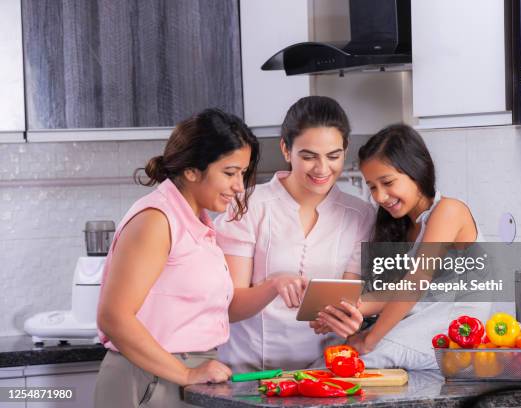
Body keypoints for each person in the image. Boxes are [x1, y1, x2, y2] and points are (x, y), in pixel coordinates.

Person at [94, 109, 260, 407]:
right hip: (150, 377)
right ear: (192, 170)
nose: (239, 186)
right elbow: (113, 317)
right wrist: (185, 373)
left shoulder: (197, 221)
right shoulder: (156, 220)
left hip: (183, 374)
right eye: (229, 172)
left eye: (242, 174)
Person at [214, 96, 376, 372]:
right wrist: (273, 284)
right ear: (286, 150)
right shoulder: (246, 205)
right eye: (309, 156)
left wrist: (350, 318)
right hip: (250, 372)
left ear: (345, 149)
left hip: (323, 372)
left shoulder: (361, 214)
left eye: (333, 156)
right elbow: (229, 308)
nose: (322, 169)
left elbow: (347, 300)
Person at [348, 123, 491, 369]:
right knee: (337, 352)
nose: (380, 196)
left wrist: (370, 339)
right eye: (372, 186)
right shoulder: (402, 225)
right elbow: (398, 293)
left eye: (387, 182)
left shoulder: (449, 211)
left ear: (416, 170)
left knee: (355, 361)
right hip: (419, 324)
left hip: (454, 335)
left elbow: (416, 282)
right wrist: (348, 310)